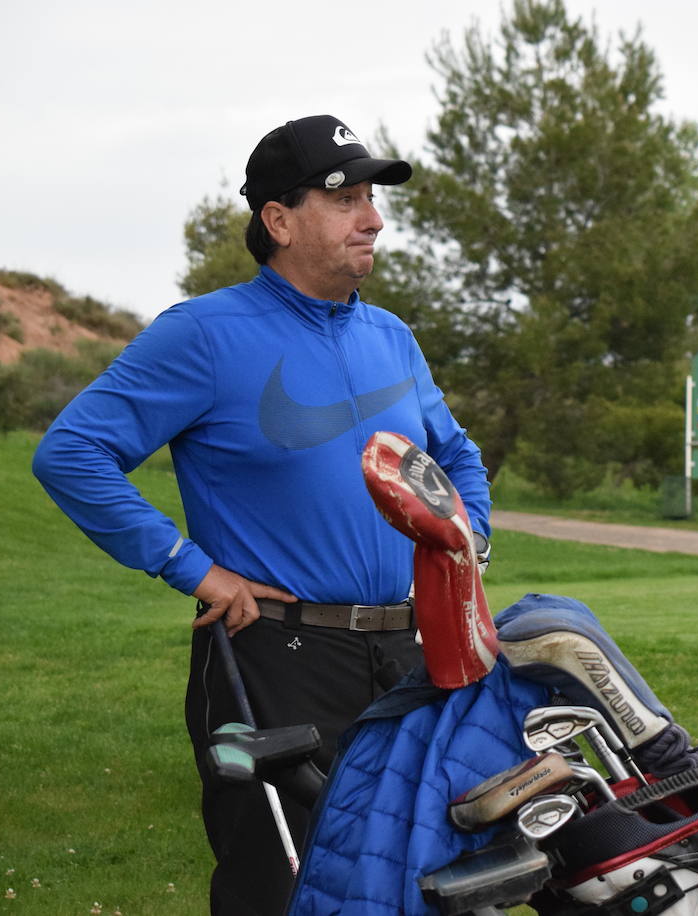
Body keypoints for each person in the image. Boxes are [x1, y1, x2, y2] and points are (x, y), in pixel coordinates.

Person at [32, 114, 492, 915]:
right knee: (277, 889)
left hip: (411, 652)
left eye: (375, 198)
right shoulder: (203, 335)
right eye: (345, 196)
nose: (373, 218)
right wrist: (190, 567)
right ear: (277, 220)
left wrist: (468, 542)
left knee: (416, 880)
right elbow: (70, 454)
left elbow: (455, 458)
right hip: (273, 660)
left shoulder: (392, 336)